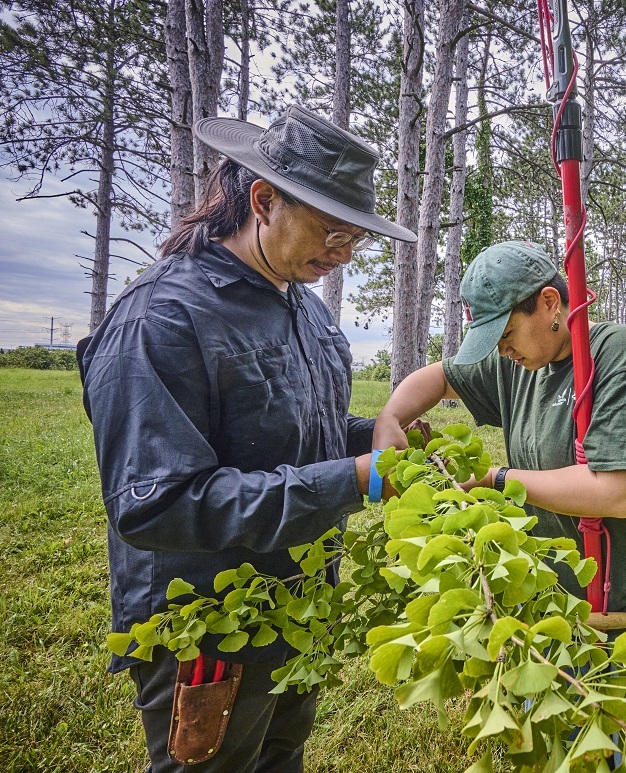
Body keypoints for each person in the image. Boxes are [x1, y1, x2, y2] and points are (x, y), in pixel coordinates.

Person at [79, 105, 414, 772]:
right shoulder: (163, 318)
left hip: (299, 604)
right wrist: (358, 477)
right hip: (209, 627)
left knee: (278, 757)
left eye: (357, 240)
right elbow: (156, 501)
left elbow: (293, 431)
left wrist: (370, 437)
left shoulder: (305, 309)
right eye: (333, 231)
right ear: (263, 199)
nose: (343, 254)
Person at [373, 240, 626, 755]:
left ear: (549, 302)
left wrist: (500, 479)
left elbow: (617, 492)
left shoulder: (618, 354)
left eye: (505, 334)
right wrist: (387, 420)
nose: (502, 351)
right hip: (557, 598)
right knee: (566, 748)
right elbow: (438, 377)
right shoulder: (518, 362)